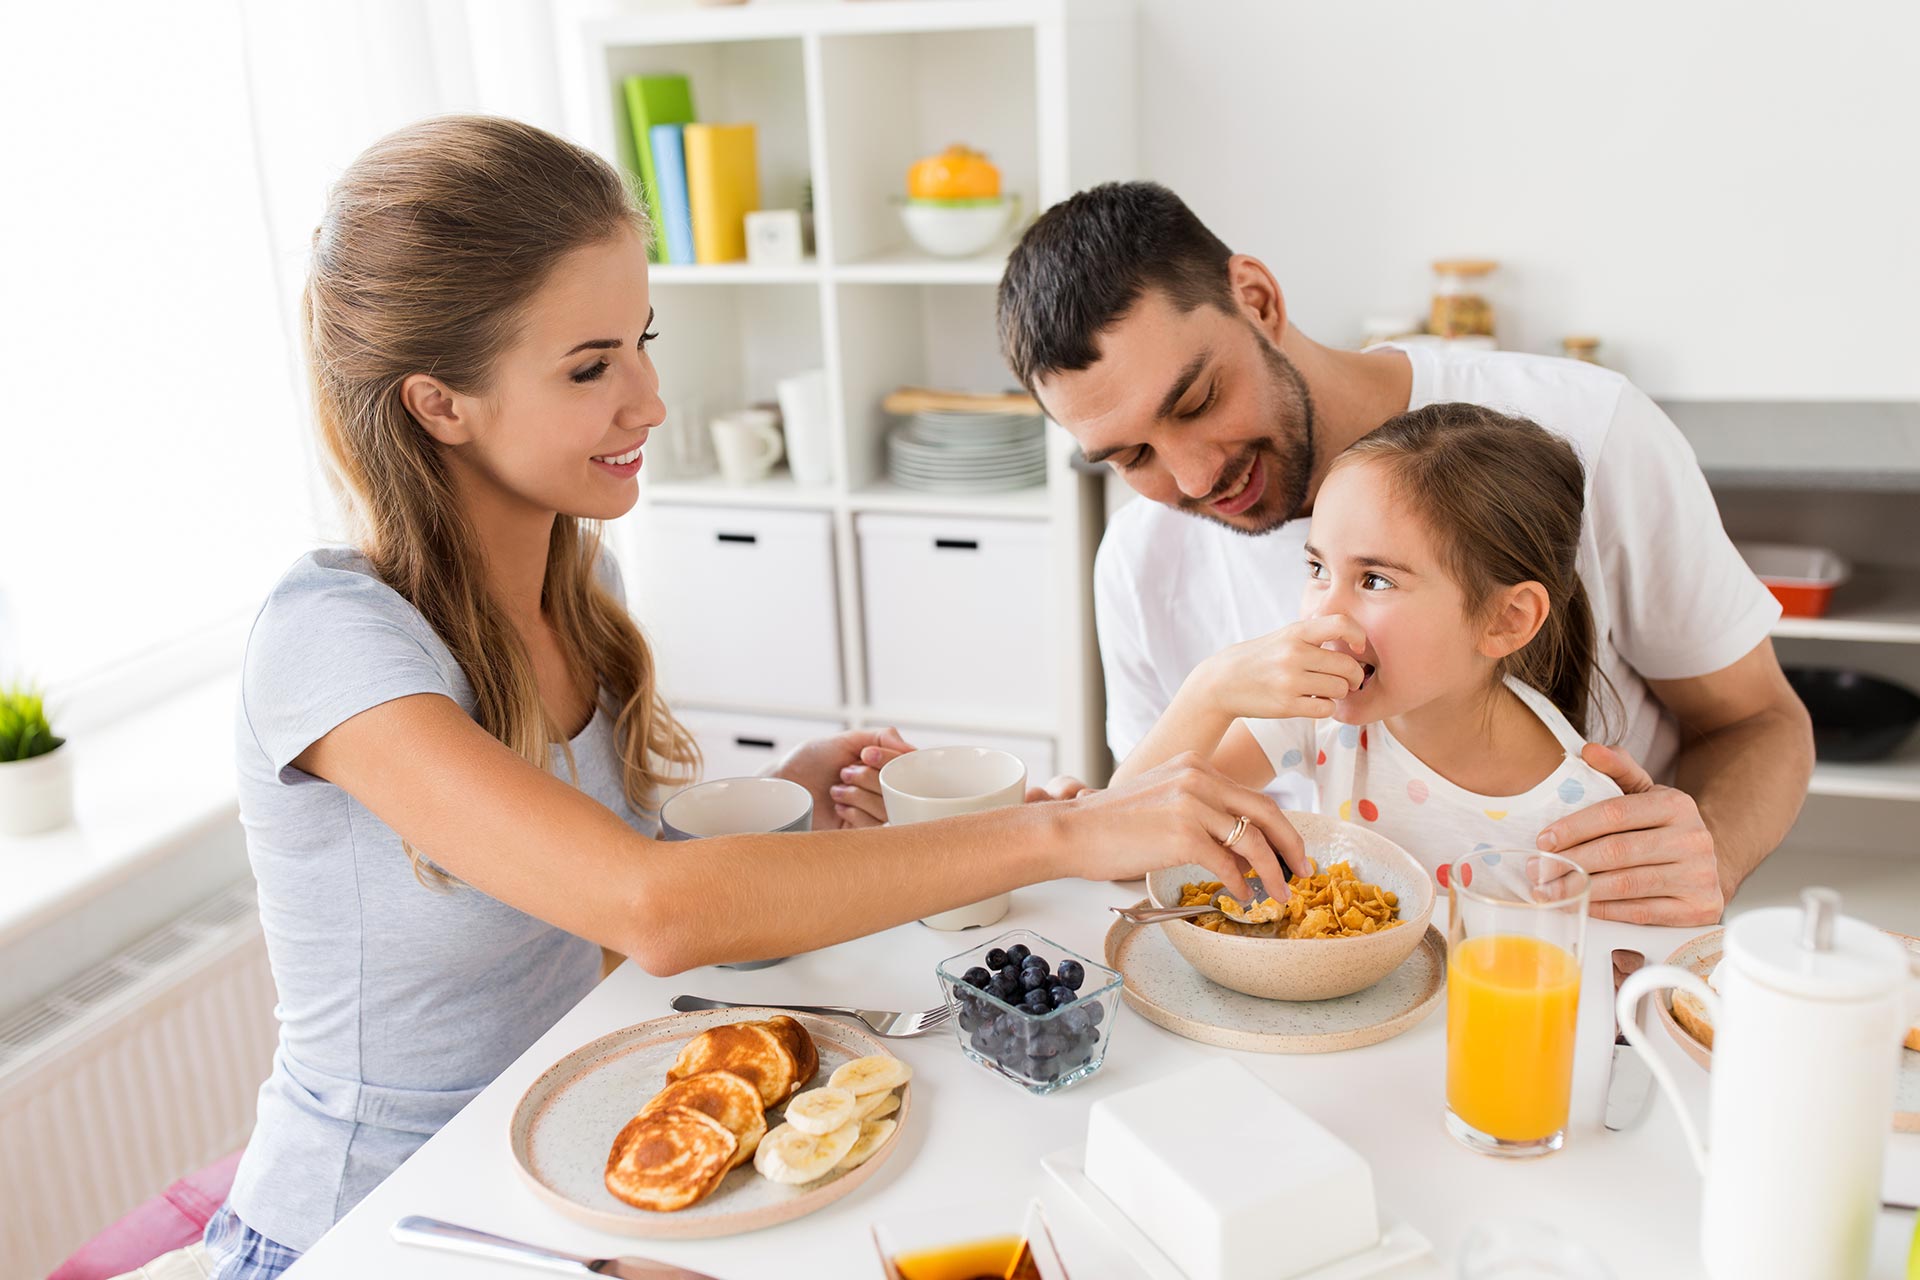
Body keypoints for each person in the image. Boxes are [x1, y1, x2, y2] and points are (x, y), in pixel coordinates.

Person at [204, 119, 1297, 1278]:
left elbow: (578, 878)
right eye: (589, 367)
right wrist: (1066, 833)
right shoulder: (335, 643)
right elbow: (653, 910)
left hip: (570, 1162)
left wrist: (783, 801)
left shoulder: (580, 587)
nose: (650, 400)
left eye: (641, 341)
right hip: (382, 1222)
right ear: (439, 404)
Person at [997, 181, 1813, 927]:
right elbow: (1148, 825)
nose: (1196, 475)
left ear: (1258, 299)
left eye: (1200, 400)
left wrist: (1708, 851)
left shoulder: (1591, 431)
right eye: (1132, 458)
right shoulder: (1139, 561)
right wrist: (1087, 821)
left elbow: (1761, 721)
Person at [1115, 402, 1626, 888]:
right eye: (1317, 569)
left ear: (1505, 620)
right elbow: (1122, 839)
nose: (1323, 616)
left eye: (1376, 580)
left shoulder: (1582, 817)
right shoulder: (1313, 717)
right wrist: (1209, 691)